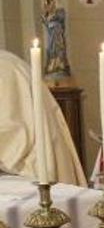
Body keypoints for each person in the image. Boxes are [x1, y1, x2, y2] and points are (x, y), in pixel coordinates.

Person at [0, 49, 85, 185]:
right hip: (31, 166)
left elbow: (15, 134)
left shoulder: (6, 68)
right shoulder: (8, 61)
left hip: (31, 174)